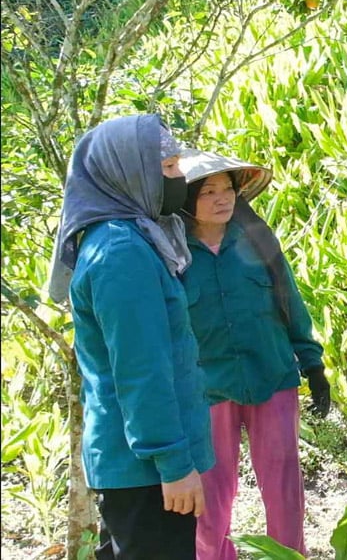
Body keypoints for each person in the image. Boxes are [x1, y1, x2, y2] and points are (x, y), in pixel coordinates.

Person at [48, 114, 213, 559]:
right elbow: (142, 371)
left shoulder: (133, 239)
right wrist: (174, 465)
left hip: (139, 463)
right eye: (170, 167)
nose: (181, 178)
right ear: (129, 172)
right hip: (144, 469)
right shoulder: (122, 253)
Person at [177, 148, 327, 559]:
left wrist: (312, 363)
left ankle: (289, 555)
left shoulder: (256, 240)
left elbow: (289, 301)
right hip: (206, 388)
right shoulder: (173, 254)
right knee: (210, 495)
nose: (222, 198)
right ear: (186, 200)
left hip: (272, 376)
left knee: (283, 487)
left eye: (228, 189)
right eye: (209, 191)